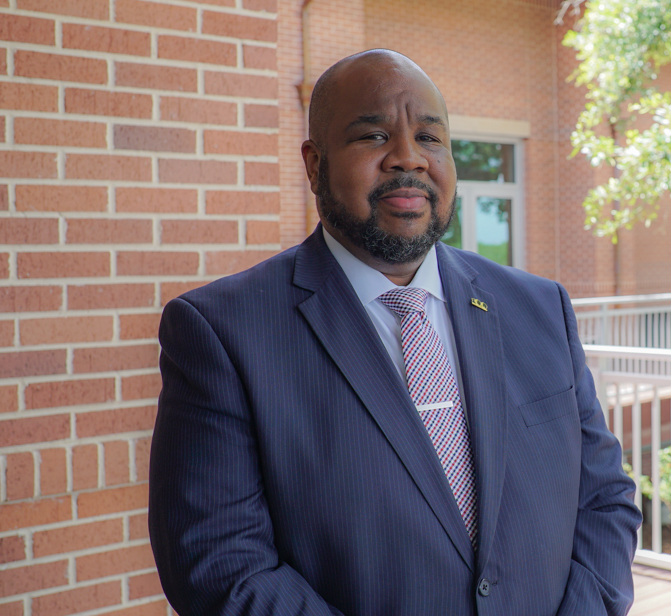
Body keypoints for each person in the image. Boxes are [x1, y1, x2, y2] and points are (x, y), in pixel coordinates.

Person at [147, 49, 640, 615]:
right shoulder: (222, 331)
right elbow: (220, 566)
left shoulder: (539, 307)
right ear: (314, 164)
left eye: (430, 138)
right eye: (374, 135)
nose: (409, 158)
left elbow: (604, 500)